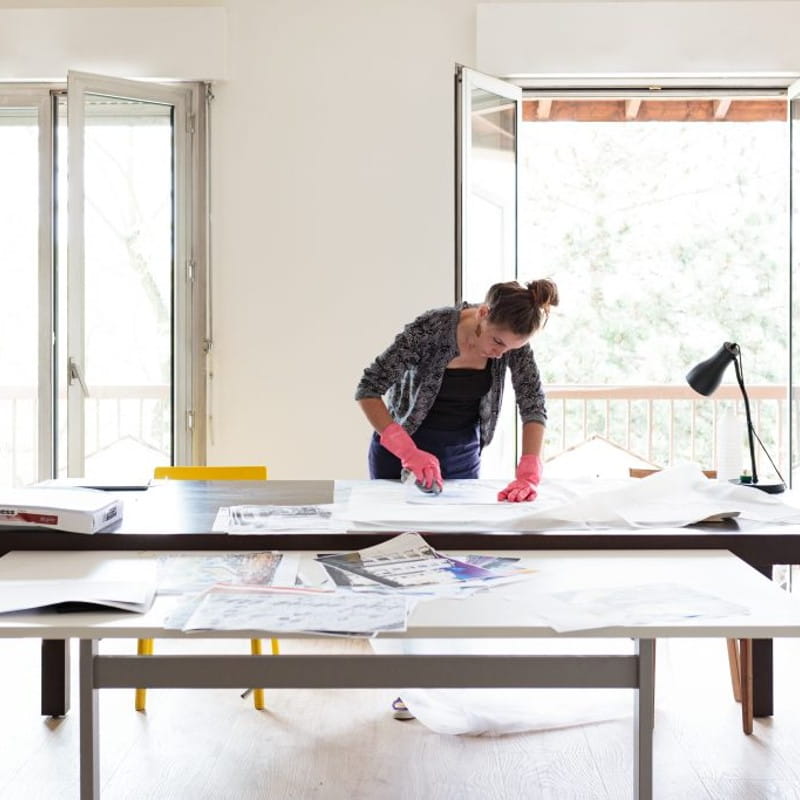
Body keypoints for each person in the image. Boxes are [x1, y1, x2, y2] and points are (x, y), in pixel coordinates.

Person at [355, 278, 558, 502]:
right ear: (483, 313)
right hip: (398, 456)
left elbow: (533, 403)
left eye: (511, 348)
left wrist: (529, 472)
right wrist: (408, 452)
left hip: (460, 460)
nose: (501, 354)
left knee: (456, 536)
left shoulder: (510, 342)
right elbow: (369, 387)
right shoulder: (431, 328)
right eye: (498, 342)